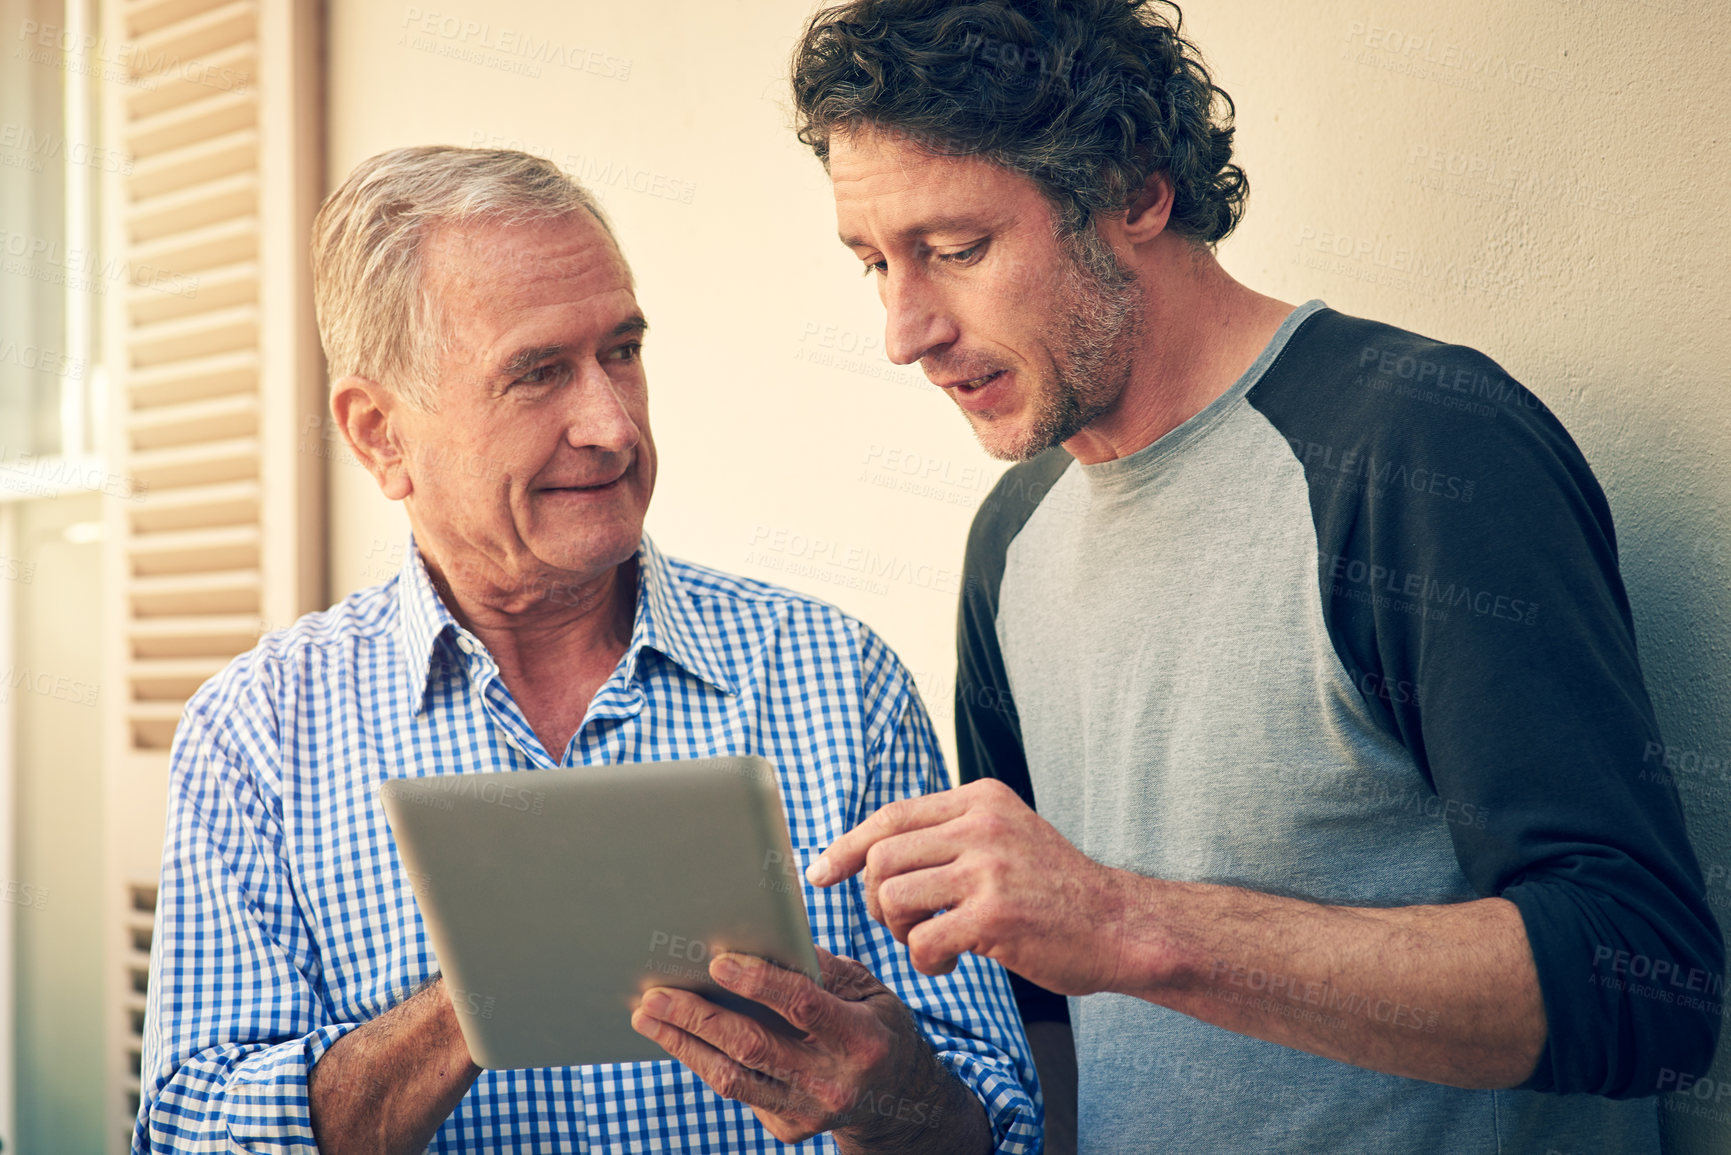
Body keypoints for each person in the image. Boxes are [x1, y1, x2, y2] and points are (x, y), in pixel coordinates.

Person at [787, 2, 1724, 1152]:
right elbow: (1051, 1019)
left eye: (957, 249)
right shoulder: (1012, 534)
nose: (904, 330)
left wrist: (1132, 923)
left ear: (1134, 189)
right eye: (875, 263)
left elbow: (1645, 988)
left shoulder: (1422, 449)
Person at [133, 146, 1039, 1155]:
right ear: (380, 435)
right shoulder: (255, 733)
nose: (611, 425)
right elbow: (189, 1136)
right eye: (537, 374)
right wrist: (495, 972)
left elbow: (999, 1119)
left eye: (621, 351)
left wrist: (892, 1097)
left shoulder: (838, 677)